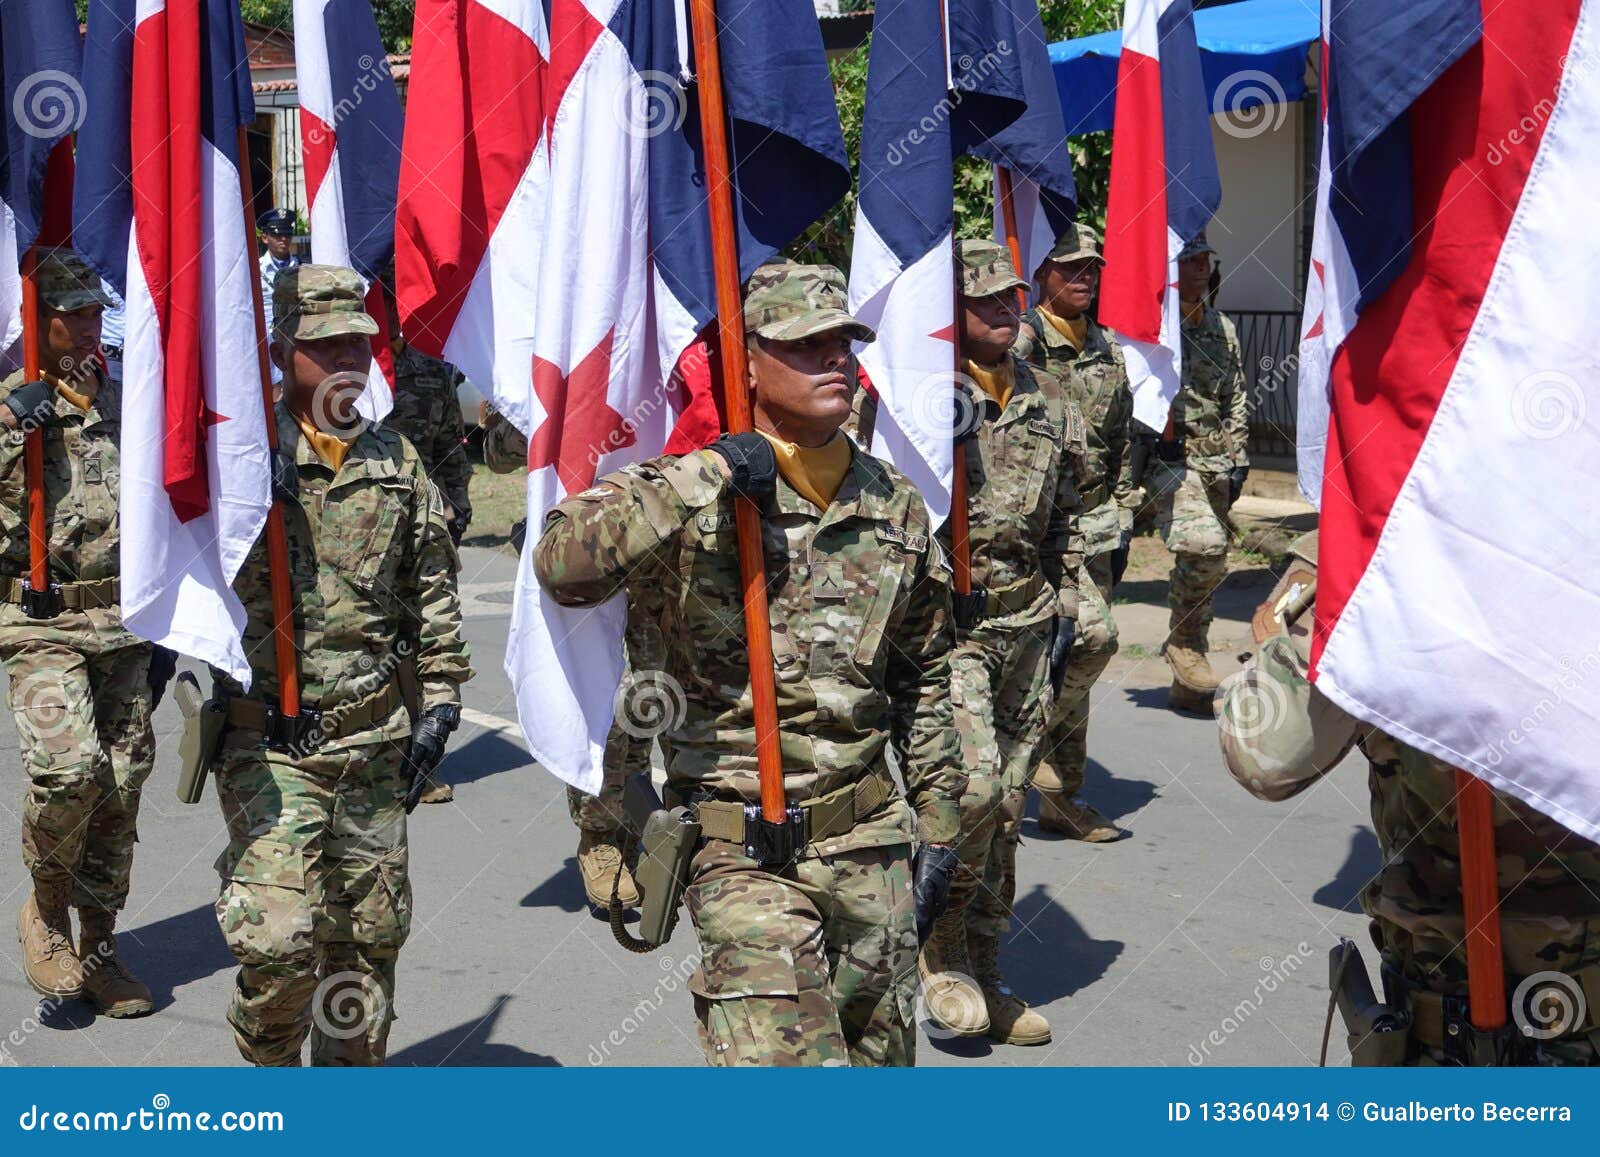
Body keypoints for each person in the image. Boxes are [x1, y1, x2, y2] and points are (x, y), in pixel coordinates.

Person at [535, 261, 964, 1066]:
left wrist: (938, 829)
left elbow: (926, 678)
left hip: (870, 844)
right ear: (750, 364)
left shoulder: (893, 504)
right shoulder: (694, 499)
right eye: (806, 346)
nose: (834, 359)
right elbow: (562, 563)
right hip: (741, 848)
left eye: (843, 342)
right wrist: (714, 469)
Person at [211, 265, 472, 1065]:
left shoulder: (396, 460)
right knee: (282, 941)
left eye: (359, 340)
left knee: (369, 945)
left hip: (372, 744)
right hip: (274, 742)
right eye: (326, 345)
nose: (348, 358)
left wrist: (442, 702)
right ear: (284, 350)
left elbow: (432, 592)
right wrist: (246, 499)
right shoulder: (237, 461)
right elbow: (176, 566)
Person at [1218, 533, 1600, 1065]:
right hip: (1446, 1019)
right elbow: (1271, 759)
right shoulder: (1393, 518)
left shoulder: (1393, 523)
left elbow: (1267, 756)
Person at [856, 240, 1089, 1045]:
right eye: (982, 299)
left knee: (1012, 805)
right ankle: (938, 947)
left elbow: (1067, 515)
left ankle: (988, 969)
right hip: (946, 629)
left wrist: (1066, 604)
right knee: (974, 787)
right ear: (947, 314)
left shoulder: (1052, 399)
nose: (1001, 309)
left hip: (1027, 626)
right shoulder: (915, 398)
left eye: (1008, 297)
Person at [0, 249, 156, 1017]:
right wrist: (6, 428)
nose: (90, 324)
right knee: (69, 772)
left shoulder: (126, 399)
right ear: (39, 318)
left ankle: (100, 945)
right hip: (42, 621)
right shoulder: (11, 403)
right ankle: (45, 906)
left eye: (97, 310)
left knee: (121, 787)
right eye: (73, 311)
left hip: (124, 621)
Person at [481, 407, 646, 907]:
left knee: (671, 697)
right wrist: (518, 414)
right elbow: (500, 456)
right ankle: (603, 837)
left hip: (674, 547)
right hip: (588, 549)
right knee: (606, 696)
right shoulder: (577, 356)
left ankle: (664, 830)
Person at [1021, 223, 1131, 842]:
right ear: (1043, 273)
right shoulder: (1024, 344)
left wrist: (1124, 504)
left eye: (1092, 269)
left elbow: (1117, 435)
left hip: (1095, 524)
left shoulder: (1108, 347)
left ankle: (1060, 797)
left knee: (1074, 657)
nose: (1084, 278)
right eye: (1071, 268)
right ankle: (1021, 755)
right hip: (1035, 528)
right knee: (1085, 643)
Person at [1126, 230, 1249, 713]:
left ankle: (1185, 683)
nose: (1201, 267)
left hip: (1216, 462)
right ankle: (1186, 644)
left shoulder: (1223, 328)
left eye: (1206, 260)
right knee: (1205, 547)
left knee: (1202, 565)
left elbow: (1234, 396)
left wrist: (1239, 457)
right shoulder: (1154, 331)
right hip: (1168, 459)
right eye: (1191, 259)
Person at [257, 209, 301, 387]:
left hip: (295, 334)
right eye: (277, 235)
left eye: (287, 234)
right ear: (265, 238)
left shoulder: (302, 267)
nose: (283, 239)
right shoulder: (255, 269)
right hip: (265, 338)